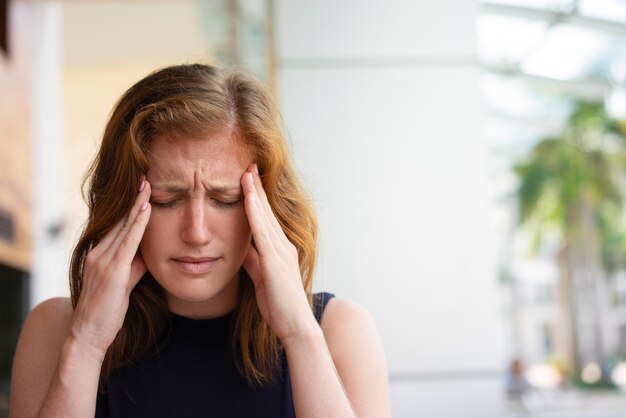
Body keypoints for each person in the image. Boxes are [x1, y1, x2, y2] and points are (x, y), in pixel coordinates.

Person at [10, 63, 391, 417]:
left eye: (225, 200)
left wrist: (300, 334)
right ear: (123, 203)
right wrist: (87, 343)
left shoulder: (340, 331)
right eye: (166, 199)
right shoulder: (56, 330)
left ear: (267, 208)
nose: (196, 233)